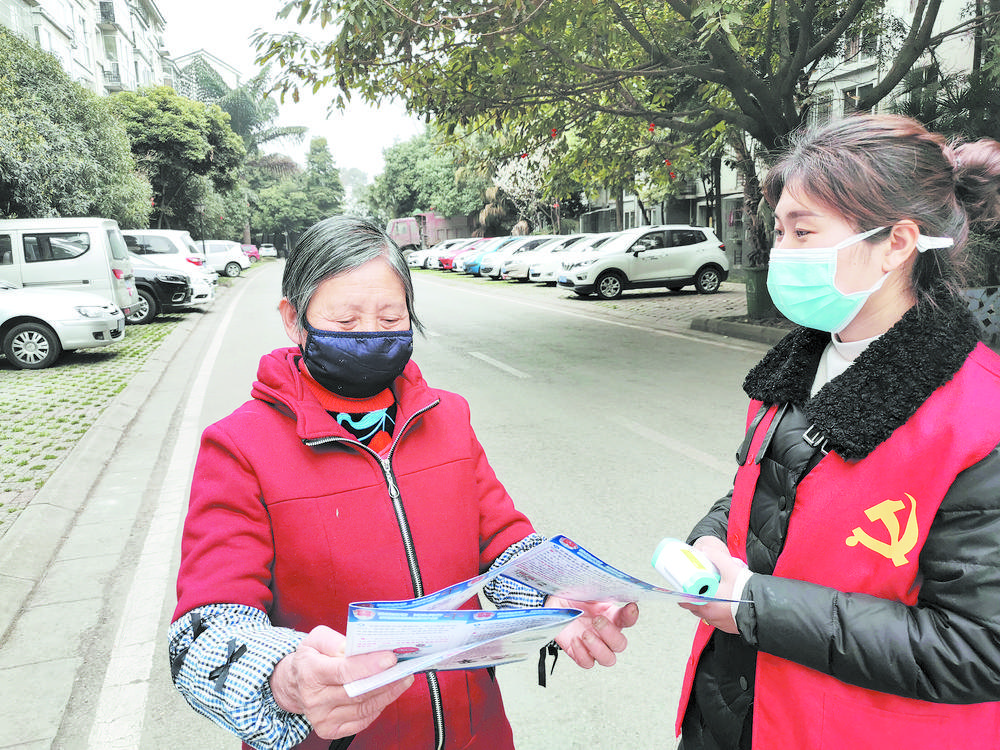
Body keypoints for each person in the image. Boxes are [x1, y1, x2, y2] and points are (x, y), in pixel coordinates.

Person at [168, 215, 639, 750]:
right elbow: (206, 629)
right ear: (294, 321)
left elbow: (505, 547)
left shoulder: (449, 418)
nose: (370, 334)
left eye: (391, 319)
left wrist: (559, 592)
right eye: (346, 322)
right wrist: (286, 679)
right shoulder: (239, 448)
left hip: (476, 735)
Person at [675, 114, 1000, 749]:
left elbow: (978, 645)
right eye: (778, 230)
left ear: (897, 243)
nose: (779, 253)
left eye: (804, 233)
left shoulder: (978, 419)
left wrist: (753, 606)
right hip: (737, 709)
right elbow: (764, 495)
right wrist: (710, 541)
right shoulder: (797, 364)